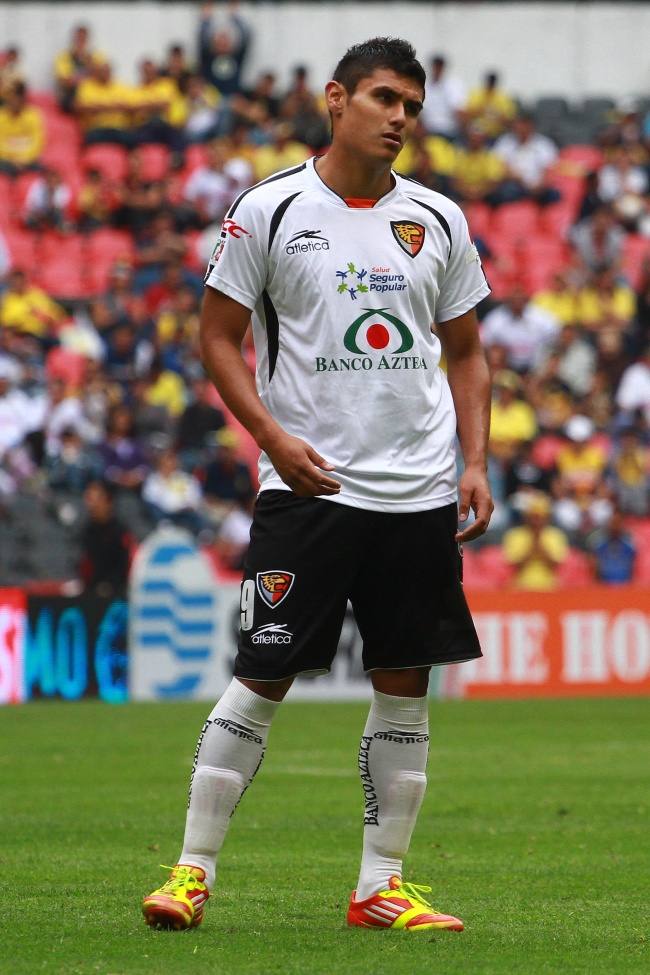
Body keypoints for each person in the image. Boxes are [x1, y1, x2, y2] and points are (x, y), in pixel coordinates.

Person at [142, 38, 493, 934]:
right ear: (336, 99)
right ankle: (190, 872)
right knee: (263, 673)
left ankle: (381, 885)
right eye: (384, 98)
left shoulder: (438, 218)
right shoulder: (269, 209)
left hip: (418, 492)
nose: (400, 118)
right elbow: (216, 336)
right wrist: (271, 437)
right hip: (310, 489)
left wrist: (476, 461)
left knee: (404, 685)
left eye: (411, 106)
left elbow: (467, 352)